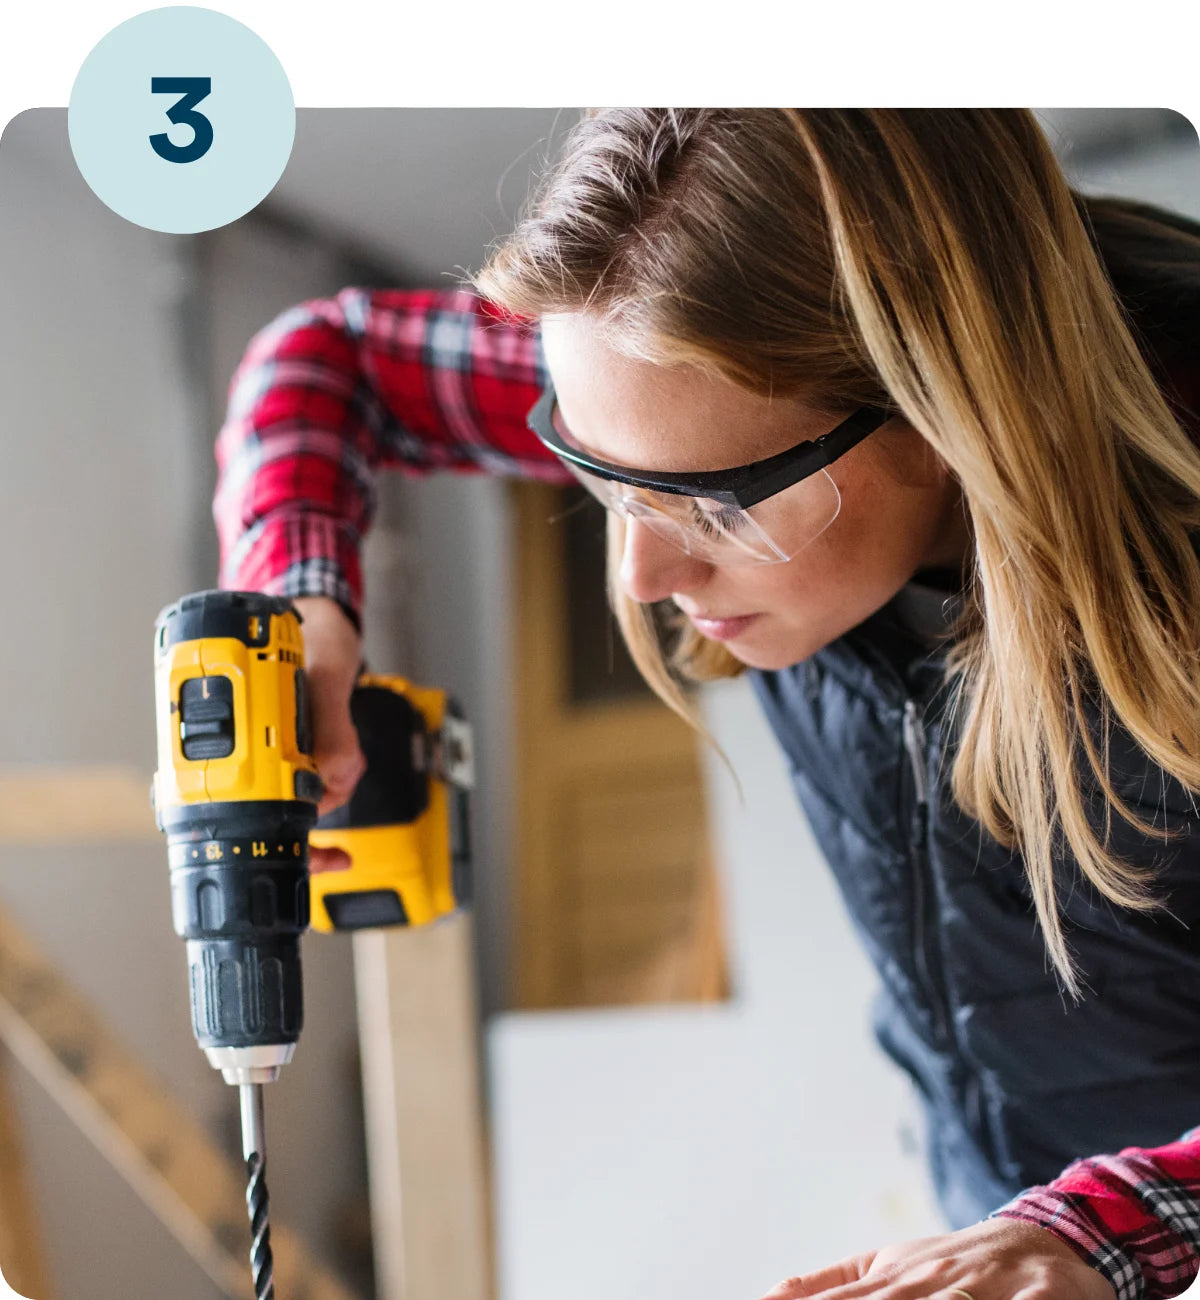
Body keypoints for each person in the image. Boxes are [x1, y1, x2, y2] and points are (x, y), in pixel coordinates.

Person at [213, 109, 1200, 1299]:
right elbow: (327, 365)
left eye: (714, 509)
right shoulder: (684, 390)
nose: (643, 575)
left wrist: (1100, 1235)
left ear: (947, 406)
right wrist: (302, 608)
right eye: (604, 478)